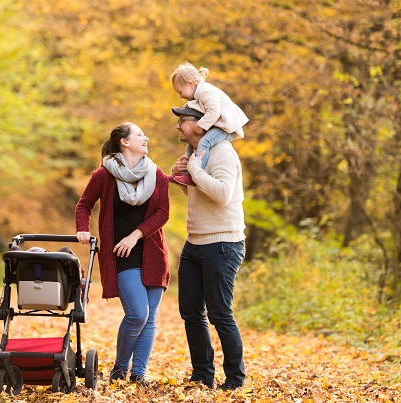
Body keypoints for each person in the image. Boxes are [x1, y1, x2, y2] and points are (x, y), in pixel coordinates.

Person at [75, 122, 170, 387]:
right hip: (120, 254)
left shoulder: (157, 174)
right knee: (138, 314)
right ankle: (120, 368)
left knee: (150, 317)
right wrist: (82, 229)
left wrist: (135, 235)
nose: (146, 137)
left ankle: (139, 373)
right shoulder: (104, 175)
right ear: (124, 142)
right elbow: (84, 205)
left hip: (152, 251)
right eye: (140, 134)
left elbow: (163, 213)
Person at [170, 105, 246, 391]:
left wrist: (193, 171)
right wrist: (180, 176)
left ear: (201, 124)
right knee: (190, 311)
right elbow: (199, 191)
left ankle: (235, 380)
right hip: (194, 243)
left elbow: (223, 195)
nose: (178, 127)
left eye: (183, 121)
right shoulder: (194, 153)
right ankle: (203, 375)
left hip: (223, 243)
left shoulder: (223, 151)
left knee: (220, 313)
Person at [169, 61, 249, 187]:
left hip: (228, 128)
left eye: (180, 92)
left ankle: (194, 173)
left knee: (204, 142)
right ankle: (184, 173)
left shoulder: (206, 91)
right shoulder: (197, 94)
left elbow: (214, 111)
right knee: (190, 145)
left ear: (190, 84)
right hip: (220, 125)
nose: (180, 96)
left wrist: (200, 126)